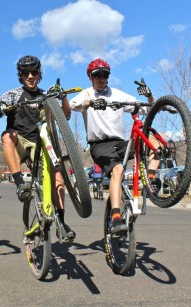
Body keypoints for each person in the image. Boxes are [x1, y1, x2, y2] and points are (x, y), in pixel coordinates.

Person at [0, 55, 76, 241]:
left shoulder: (46, 96)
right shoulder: (13, 94)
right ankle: (20, 184)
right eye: (26, 73)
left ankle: (61, 223)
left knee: (57, 176)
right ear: (20, 75)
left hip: (40, 142)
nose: (30, 76)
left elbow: (66, 116)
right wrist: (0, 108)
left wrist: (64, 98)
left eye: (34, 72)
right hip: (19, 140)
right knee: (7, 136)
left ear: (39, 74)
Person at [69, 58, 156, 235]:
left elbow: (147, 108)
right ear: (90, 77)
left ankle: (151, 180)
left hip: (121, 143)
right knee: (118, 170)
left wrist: (148, 95)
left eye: (105, 74)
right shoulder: (87, 93)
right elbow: (72, 106)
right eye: (97, 75)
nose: (101, 78)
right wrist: (90, 103)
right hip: (100, 145)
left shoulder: (116, 94)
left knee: (154, 142)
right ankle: (116, 218)